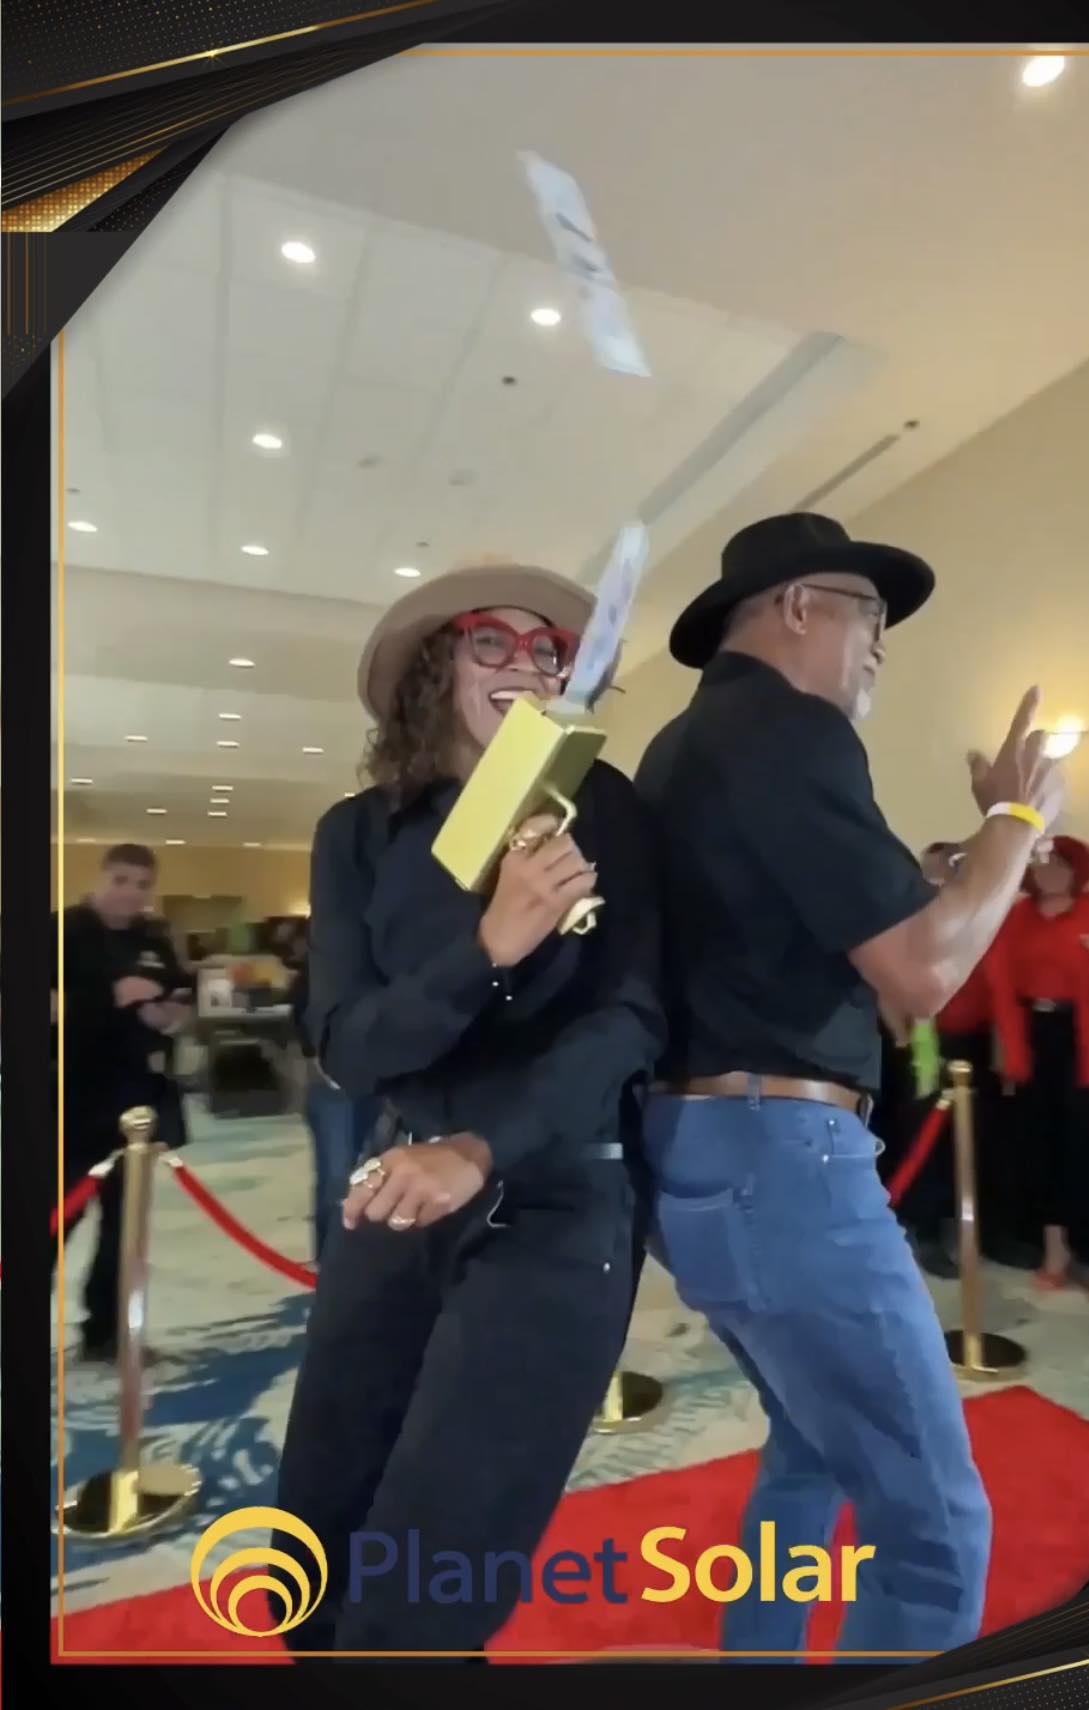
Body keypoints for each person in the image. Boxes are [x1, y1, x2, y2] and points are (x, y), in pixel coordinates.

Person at [634, 511, 1066, 1660]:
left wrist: (990, 847)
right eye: (871, 616)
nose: (880, 645)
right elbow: (923, 972)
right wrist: (1019, 819)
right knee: (933, 1525)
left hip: (697, 1154)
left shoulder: (685, 745)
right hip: (778, 1160)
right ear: (797, 607)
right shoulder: (789, 730)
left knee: (811, 1449)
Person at [271, 563, 665, 1657]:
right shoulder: (358, 833)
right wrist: (488, 945)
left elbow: (630, 1020)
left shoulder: (608, 812)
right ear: (437, 667)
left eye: (549, 651)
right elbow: (350, 1045)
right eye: (493, 640)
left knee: (426, 1587)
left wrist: (484, 1148)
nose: (526, 664)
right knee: (313, 1550)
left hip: (557, 1201)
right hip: (396, 1191)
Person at [987, 835, 1089, 1306]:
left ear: (1076, 872)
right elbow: (1000, 986)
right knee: (1041, 1148)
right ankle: (1056, 1253)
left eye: (1058, 866)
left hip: (1082, 1039)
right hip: (1032, 1037)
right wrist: (1006, 1052)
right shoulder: (1017, 918)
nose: (1049, 874)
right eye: (1042, 866)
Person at [53, 844, 190, 1358]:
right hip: (66, 1099)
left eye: (142, 884)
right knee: (52, 1222)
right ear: (101, 877)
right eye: (121, 880)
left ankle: (106, 1334)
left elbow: (179, 995)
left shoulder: (153, 937)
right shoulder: (61, 930)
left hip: (134, 1104)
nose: (131, 892)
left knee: (124, 1229)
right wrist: (112, 996)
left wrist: (169, 1016)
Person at [289, 949, 383, 1262]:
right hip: (336, 1082)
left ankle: (367, 1262)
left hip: (389, 1081)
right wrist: (317, 1054)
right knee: (336, 1178)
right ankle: (330, 1264)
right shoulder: (333, 947)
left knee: (382, 1172)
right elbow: (301, 1004)